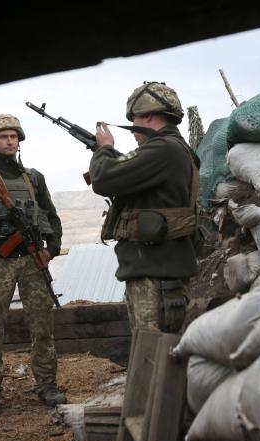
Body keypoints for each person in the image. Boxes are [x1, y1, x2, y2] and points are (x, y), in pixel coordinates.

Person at [0, 114, 66, 418]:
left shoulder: (34, 178)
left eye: (13, 136)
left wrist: (51, 250)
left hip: (33, 261)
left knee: (43, 325)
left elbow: (51, 217)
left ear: (19, 141)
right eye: (3, 137)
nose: (9, 141)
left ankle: (47, 385)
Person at [89, 82, 200, 334]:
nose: (132, 128)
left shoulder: (162, 149)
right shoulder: (173, 149)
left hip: (155, 276)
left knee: (153, 357)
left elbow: (103, 179)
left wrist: (104, 148)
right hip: (159, 271)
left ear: (148, 115)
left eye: (134, 118)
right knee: (158, 356)